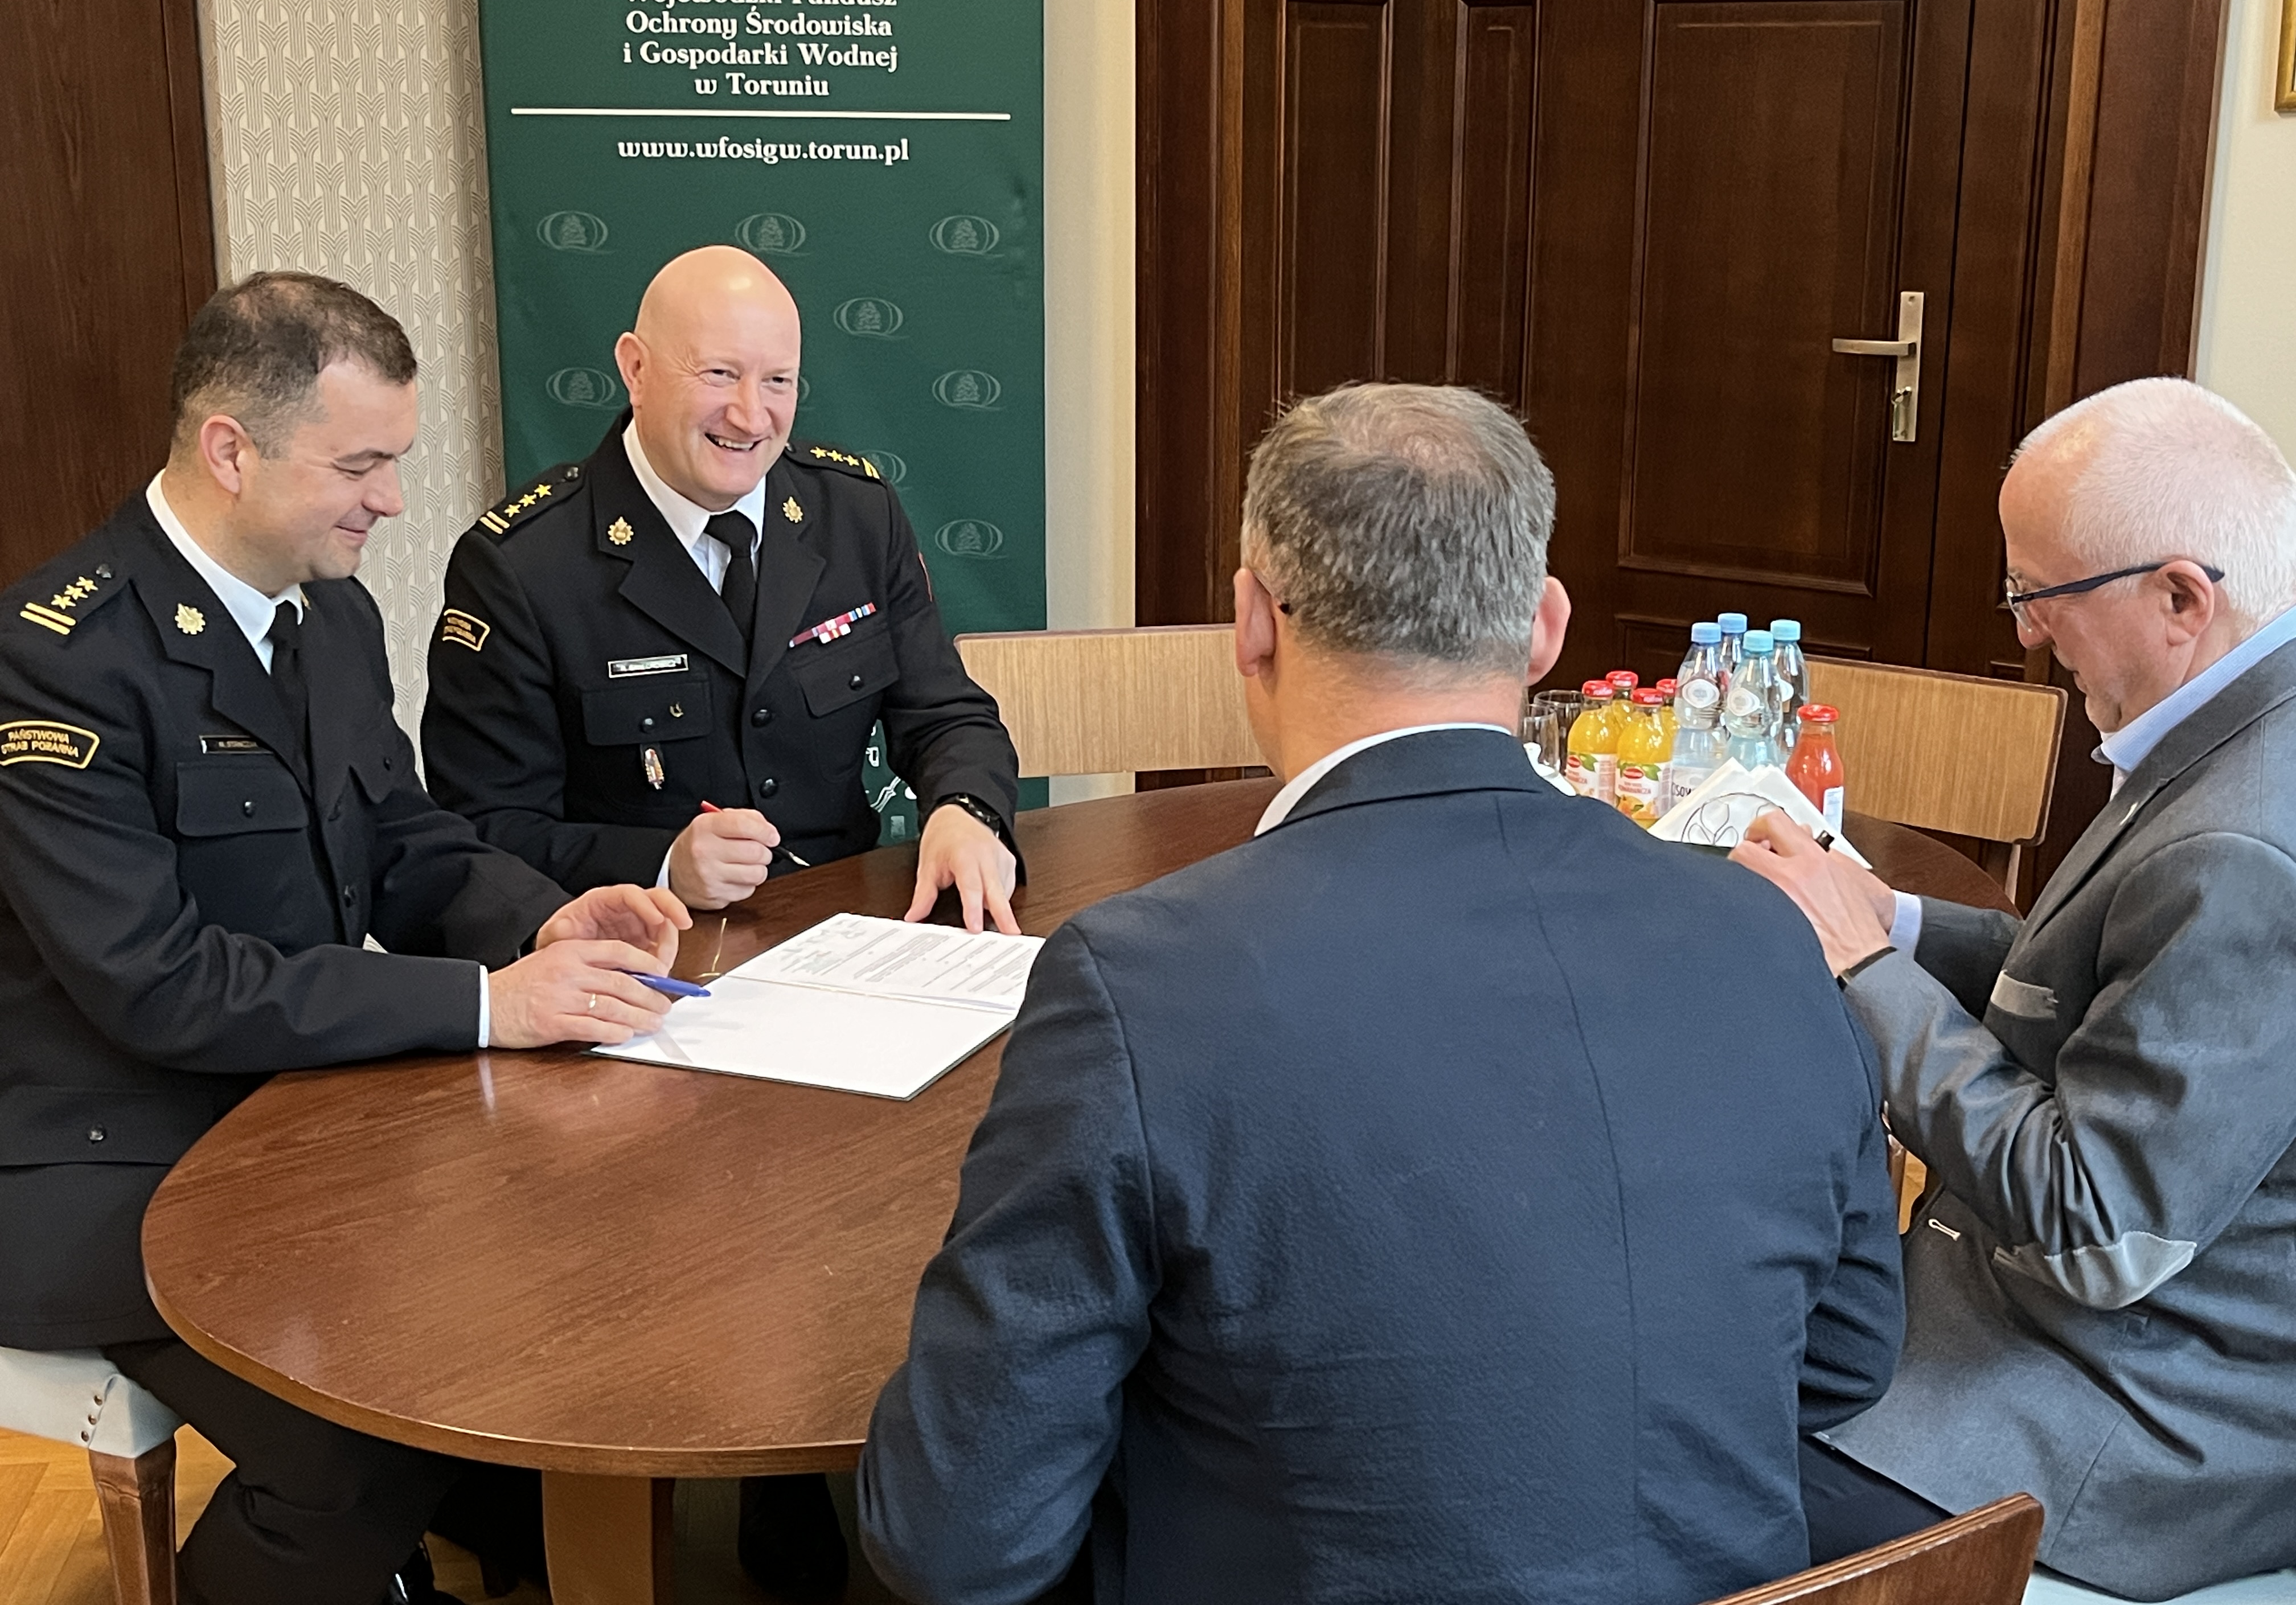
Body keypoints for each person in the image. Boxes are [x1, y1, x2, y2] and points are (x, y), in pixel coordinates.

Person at [856, 383, 1905, 1605]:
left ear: (1253, 623)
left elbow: (959, 1537)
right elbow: (1843, 1361)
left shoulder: (1137, 983)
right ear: (1545, 629)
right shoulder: (1767, 936)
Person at [0, 273, 693, 1605]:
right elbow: (158, 985)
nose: (393, 501)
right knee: (354, 1454)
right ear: (230, 450)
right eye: (361, 466)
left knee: (539, 1341)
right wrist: (492, 1004)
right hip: (113, 1158)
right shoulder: (61, 659)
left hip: (303, 1122)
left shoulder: (332, 613)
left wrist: (540, 917)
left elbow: (400, 841)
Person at [419, 244, 1022, 1598]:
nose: (753, 415)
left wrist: (964, 806)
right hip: (649, 1008)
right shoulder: (523, 566)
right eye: (719, 376)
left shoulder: (852, 515)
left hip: (852, 985)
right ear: (634, 369)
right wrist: (658, 860)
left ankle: (841, 1460)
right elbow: (465, 837)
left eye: (779, 382)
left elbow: (947, 712)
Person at [1736, 377, 2296, 1598]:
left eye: (2042, 594)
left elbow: (2101, 1228)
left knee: (1681, 1469)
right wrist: (1893, 918)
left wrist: (1863, 970)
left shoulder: (2246, 848)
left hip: (2119, 1414)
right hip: (2024, 1318)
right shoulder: (2242, 726)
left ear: (2182, 597)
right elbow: (2102, 986)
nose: (2029, 633)